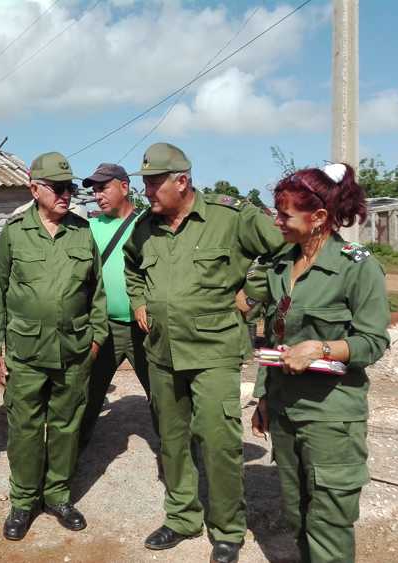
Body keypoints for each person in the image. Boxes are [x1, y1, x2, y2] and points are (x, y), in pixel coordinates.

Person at [123, 142, 285, 562]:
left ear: (183, 180)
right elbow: (131, 265)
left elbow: (281, 252)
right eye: (144, 183)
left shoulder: (230, 216)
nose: (147, 191)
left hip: (214, 349)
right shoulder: (145, 226)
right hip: (162, 350)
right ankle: (181, 517)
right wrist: (139, 300)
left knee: (218, 441)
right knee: (172, 440)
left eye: (155, 183)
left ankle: (228, 528)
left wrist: (253, 295)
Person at [251, 164, 390, 563]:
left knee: (328, 524)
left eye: (285, 214)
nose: (276, 221)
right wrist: (263, 396)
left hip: (330, 417)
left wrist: (321, 348)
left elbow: (374, 341)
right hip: (284, 410)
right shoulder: (282, 265)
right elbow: (274, 338)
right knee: (298, 515)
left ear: (319, 218)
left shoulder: (356, 266)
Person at [0, 152, 108, 541]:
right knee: (24, 428)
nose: (66, 194)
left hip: (73, 351)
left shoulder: (82, 232)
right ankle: (23, 501)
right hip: (26, 352)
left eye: (70, 188)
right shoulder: (14, 233)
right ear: (34, 188)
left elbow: (97, 294)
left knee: (67, 427)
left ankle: (57, 495)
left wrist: (96, 341)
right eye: (58, 188)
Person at [78, 163, 158, 449]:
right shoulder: (89, 228)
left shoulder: (148, 226)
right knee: (87, 396)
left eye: (104, 188)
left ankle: (179, 459)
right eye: (95, 190)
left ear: (125, 187)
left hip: (145, 329)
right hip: (104, 328)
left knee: (163, 397)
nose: (98, 195)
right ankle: (72, 455)